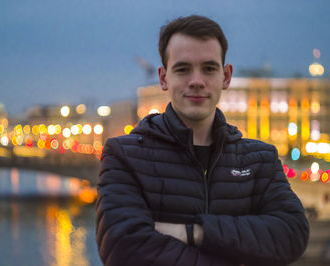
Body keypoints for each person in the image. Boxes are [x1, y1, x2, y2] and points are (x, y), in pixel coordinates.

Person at [95, 15, 309, 266]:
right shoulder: (124, 155)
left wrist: (194, 232)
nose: (197, 81)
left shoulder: (260, 159)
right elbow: (123, 250)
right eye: (183, 69)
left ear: (226, 76)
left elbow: (292, 234)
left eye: (209, 68)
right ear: (163, 78)